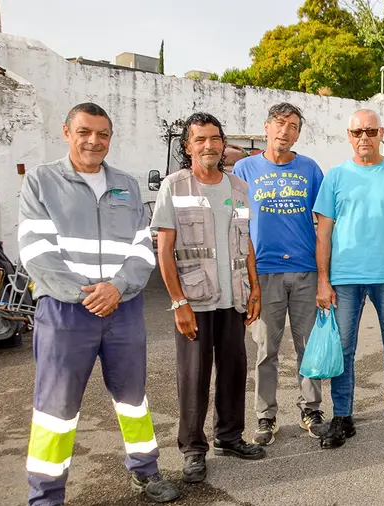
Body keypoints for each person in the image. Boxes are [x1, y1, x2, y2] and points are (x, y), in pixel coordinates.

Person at [19, 103, 180, 505]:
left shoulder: (126, 184)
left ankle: (145, 474)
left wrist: (118, 287)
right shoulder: (41, 181)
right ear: (67, 132)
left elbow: (144, 248)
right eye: (85, 132)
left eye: (103, 133)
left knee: (134, 399)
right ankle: (46, 496)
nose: (94, 141)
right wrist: (88, 294)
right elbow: (36, 252)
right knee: (55, 408)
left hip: (122, 310)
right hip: (65, 311)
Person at [152, 112, 266, 484]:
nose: (208, 146)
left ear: (223, 144)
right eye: (200, 139)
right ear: (188, 146)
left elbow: (245, 240)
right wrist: (178, 302)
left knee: (234, 372)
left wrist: (255, 288)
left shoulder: (238, 188)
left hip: (233, 297)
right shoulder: (174, 186)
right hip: (195, 300)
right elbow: (164, 250)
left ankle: (230, 437)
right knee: (194, 377)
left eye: (214, 139)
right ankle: (193, 449)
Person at [314, 109, 384, 449]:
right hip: (345, 278)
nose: (364, 137)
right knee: (344, 350)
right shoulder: (335, 177)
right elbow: (324, 233)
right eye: (357, 131)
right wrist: (323, 279)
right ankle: (342, 417)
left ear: (381, 133)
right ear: (349, 136)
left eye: (371, 130)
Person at [233, 103, 327, 444]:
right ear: (267, 127)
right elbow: (237, 226)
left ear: (298, 133)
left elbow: (324, 224)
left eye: (292, 126)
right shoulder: (244, 169)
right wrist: (248, 279)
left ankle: (311, 409)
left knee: (308, 348)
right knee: (265, 350)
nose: (285, 131)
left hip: (305, 271)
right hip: (264, 274)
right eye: (279, 124)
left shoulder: (310, 169)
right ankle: (265, 416)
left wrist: (324, 275)